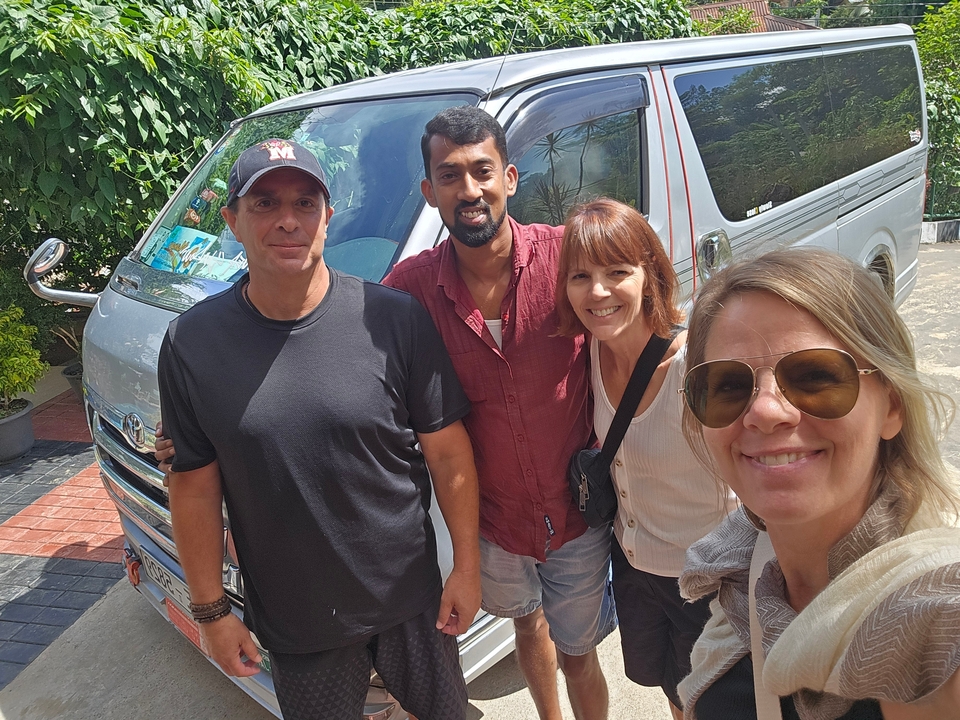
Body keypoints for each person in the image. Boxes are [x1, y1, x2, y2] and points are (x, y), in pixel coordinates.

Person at [156, 138, 482, 720]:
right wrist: (210, 611)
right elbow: (195, 487)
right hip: (297, 619)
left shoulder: (393, 319)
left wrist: (466, 567)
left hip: (411, 600)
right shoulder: (192, 345)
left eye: (306, 203)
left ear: (329, 217)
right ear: (231, 220)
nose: (288, 220)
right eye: (264, 204)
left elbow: (449, 456)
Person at [383, 106, 616, 720]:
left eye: (482, 170)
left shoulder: (568, 257)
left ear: (510, 177)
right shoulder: (408, 291)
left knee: (580, 651)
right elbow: (343, 361)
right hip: (494, 522)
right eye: (450, 175)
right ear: (430, 192)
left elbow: (641, 329)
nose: (470, 190)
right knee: (526, 629)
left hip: (576, 515)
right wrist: (209, 430)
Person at [676, 247, 960, 720]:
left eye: (814, 376)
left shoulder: (933, 621)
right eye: (727, 385)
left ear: (892, 407)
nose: (765, 411)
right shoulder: (737, 581)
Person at [554, 198, 738, 720]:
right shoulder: (588, 352)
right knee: (673, 693)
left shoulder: (693, 367)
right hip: (634, 570)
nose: (598, 292)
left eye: (618, 271)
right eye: (580, 276)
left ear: (650, 274)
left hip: (706, 581)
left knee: (713, 703)